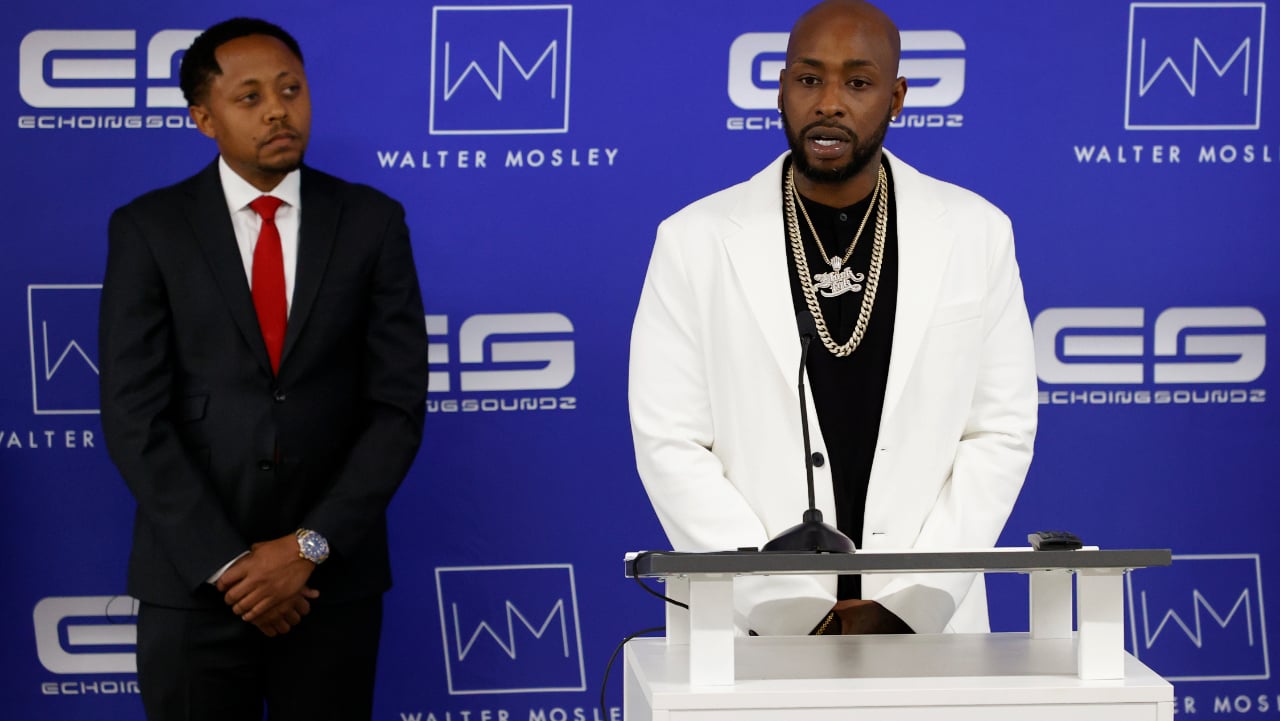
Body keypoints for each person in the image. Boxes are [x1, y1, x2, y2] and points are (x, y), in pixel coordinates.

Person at [628, 0, 1037, 637]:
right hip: (745, 629)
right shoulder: (692, 240)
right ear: (781, 90)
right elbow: (670, 442)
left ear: (896, 99)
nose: (829, 103)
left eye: (858, 82)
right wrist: (784, 604)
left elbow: (999, 432)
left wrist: (908, 602)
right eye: (809, 78)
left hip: (926, 628)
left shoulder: (977, 233)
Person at [99, 17, 429, 720]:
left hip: (329, 586)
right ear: (203, 118)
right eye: (249, 97)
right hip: (193, 586)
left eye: (290, 90)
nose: (278, 110)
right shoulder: (150, 228)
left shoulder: (372, 221)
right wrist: (229, 565)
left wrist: (308, 548)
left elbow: (396, 408)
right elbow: (134, 415)